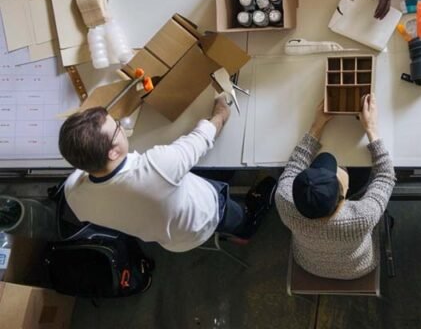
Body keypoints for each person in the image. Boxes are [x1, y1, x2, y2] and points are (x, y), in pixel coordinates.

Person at [59, 97, 277, 252]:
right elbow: (206, 133)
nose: (121, 126)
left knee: (203, 171)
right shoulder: (158, 168)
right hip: (202, 217)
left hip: (170, 236)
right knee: (232, 212)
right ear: (113, 152)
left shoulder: (74, 196)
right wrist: (220, 110)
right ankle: (245, 226)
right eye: (117, 127)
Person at [276, 94, 396, 280]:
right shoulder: (362, 216)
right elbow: (386, 176)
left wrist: (317, 125)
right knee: (365, 176)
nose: (339, 169)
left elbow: (295, 164)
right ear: (343, 198)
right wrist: (371, 129)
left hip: (309, 263)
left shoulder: (284, 200)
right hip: (359, 267)